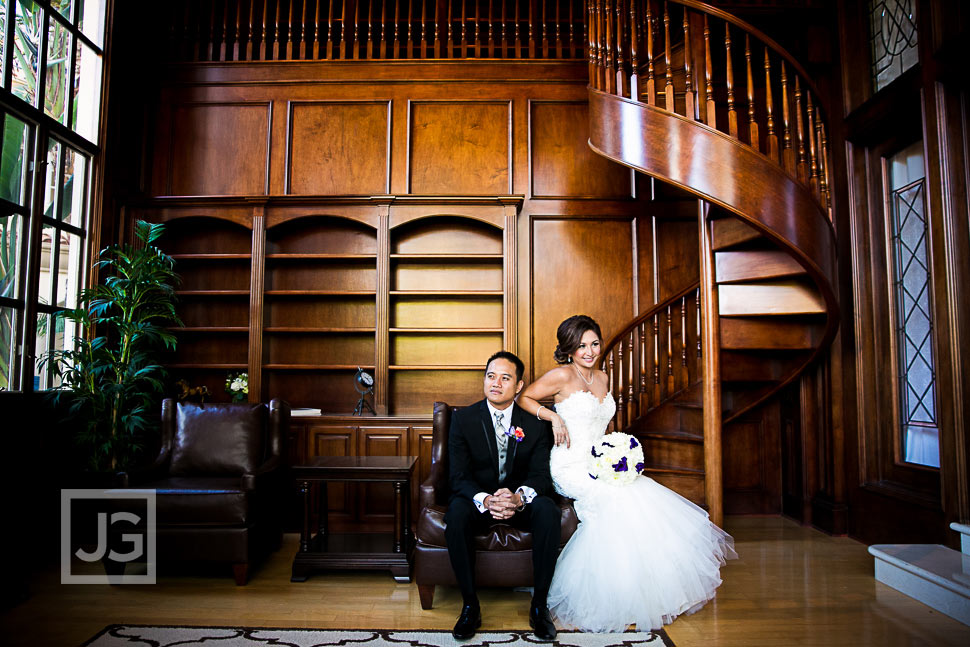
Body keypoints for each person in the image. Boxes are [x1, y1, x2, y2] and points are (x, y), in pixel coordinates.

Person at [518, 315, 737, 633]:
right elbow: (524, 397)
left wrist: (615, 452)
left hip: (598, 460)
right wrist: (552, 417)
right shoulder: (561, 376)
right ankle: (615, 597)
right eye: (581, 346)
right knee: (615, 500)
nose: (590, 351)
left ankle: (651, 591)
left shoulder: (603, 377)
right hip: (568, 464)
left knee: (640, 491)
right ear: (568, 349)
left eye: (594, 344)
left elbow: (604, 425)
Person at [444, 350, 561, 641]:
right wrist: (485, 499)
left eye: (505, 378)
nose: (495, 383)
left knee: (548, 510)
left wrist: (520, 498)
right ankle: (470, 605)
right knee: (456, 514)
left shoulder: (534, 422)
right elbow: (457, 474)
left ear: (519, 386)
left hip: (518, 501)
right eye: (491, 376)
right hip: (480, 500)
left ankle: (539, 607)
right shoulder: (464, 419)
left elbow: (541, 475)